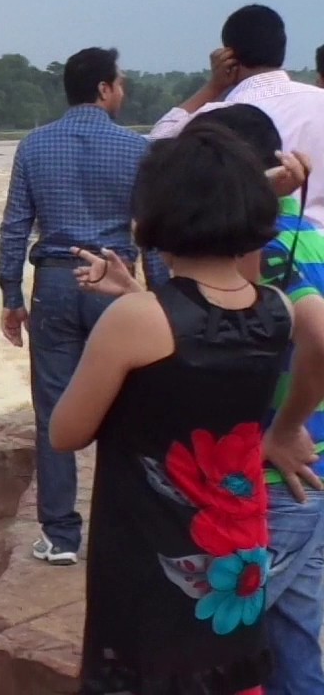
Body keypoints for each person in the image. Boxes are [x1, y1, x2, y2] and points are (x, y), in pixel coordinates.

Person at [74, 104, 324, 694]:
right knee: (289, 639)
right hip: (301, 465)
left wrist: (287, 426)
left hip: (272, 474)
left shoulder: (268, 252)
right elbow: (209, 326)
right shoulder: (302, 238)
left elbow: (221, 327)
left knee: (227, 642)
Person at [0, 46, 169, 566]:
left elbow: (14, 226)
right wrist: (159, 296)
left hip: (53, 284)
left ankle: (61, 537)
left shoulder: (33, 146)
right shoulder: (137, 149)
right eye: (120, 83)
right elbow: (152, 233)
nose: (124, 90)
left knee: (54, 408)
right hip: (115, 284)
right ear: (102, 89)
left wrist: (9, 294)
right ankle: (130, 529)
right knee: (130, 408)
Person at [149, 4, 324, 225]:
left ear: (228, 55)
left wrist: (213, 87)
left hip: (255, 247)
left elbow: (157, 144)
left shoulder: (220, 116)